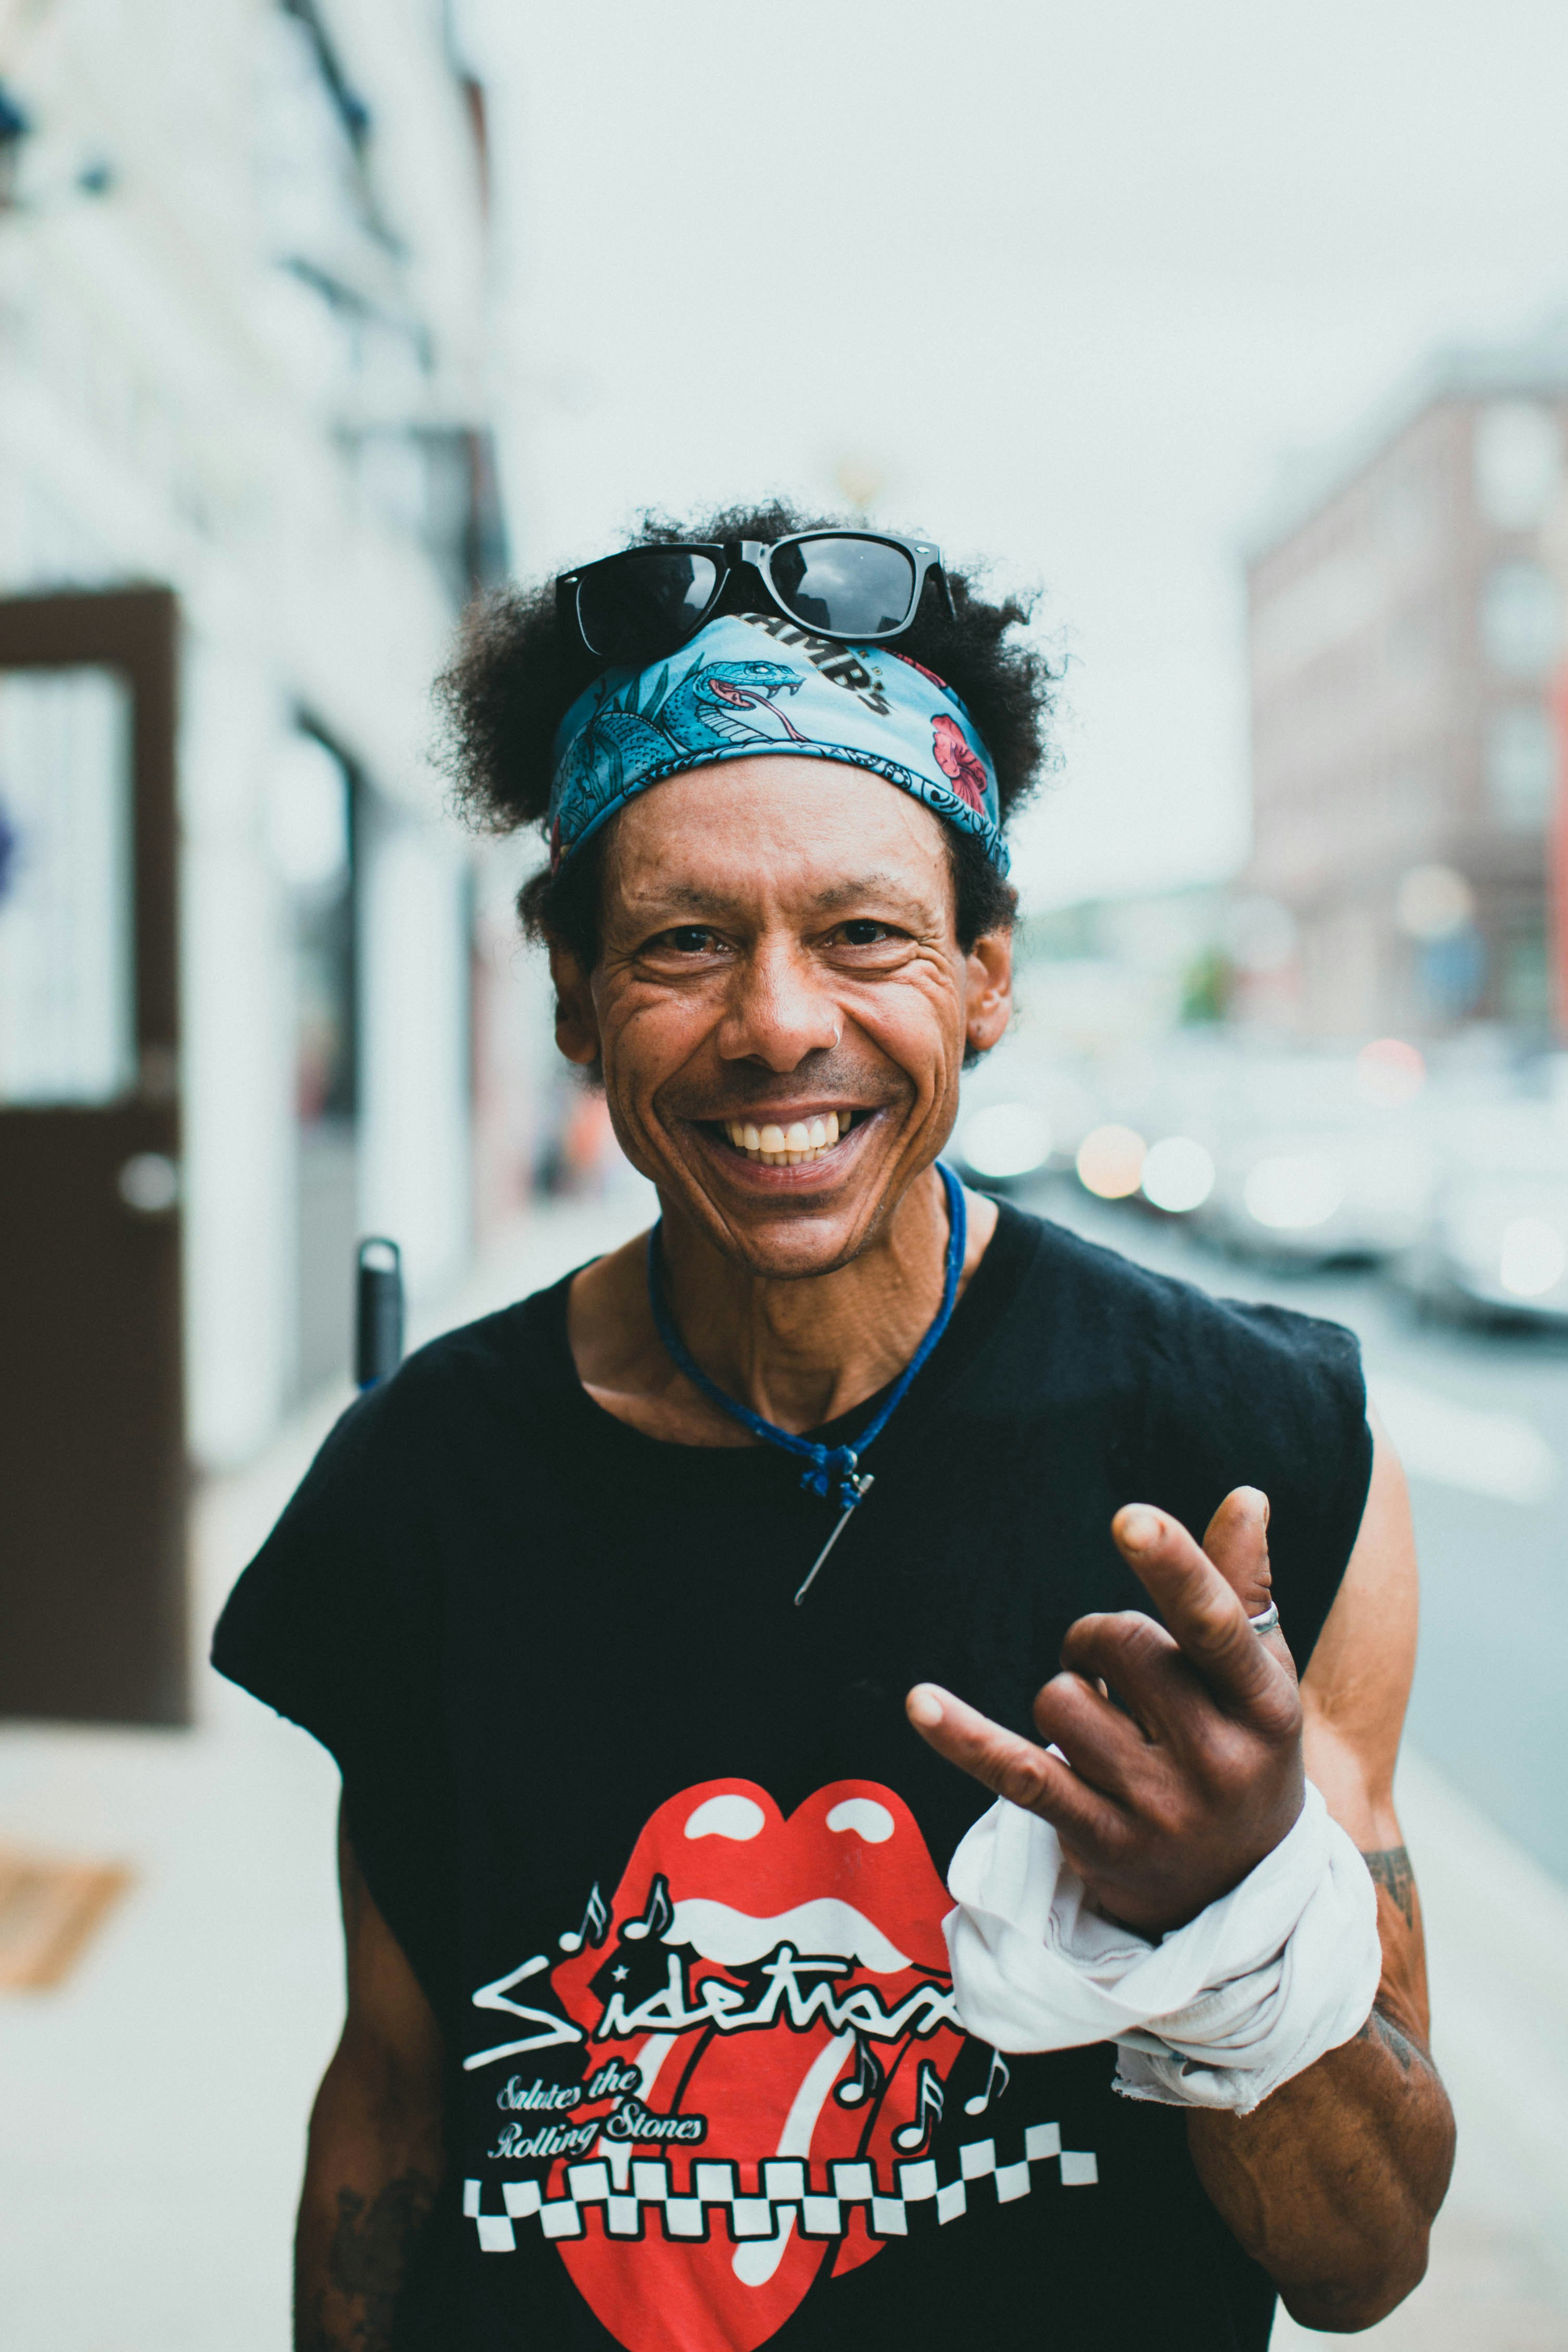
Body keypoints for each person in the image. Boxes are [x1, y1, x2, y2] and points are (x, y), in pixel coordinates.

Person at [214, 503, 1454, 2352]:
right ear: (570, 993)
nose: (778, 1025)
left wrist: (1231, 1918)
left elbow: (1362, 2267)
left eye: (866, 933)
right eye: (684, 942)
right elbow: (392, 2105)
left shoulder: (1255, 1457)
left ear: (989, 972)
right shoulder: (423, 1487)